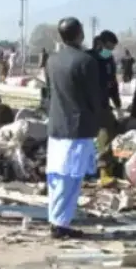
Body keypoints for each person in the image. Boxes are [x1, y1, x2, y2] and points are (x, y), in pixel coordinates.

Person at [45, 17, 102, 238]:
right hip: (77, 127)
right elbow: (93, 97)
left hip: (57, 124)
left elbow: (50, 93)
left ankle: (56, 218)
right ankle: (61, 224)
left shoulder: (52, 60)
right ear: (80, 34)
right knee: (71, 177)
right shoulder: (86, 61)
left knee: (57, 175)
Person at [89, 30, 123, 186]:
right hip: (87, 104)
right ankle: (93, 169)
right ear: (100, 43)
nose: (110, 51)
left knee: (109, 131)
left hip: (103, 104)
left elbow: (113, 84)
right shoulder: (88, 59)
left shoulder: (109, 60)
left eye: (112, 48)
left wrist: (118, 105)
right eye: (108, 47)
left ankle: (104, 170)